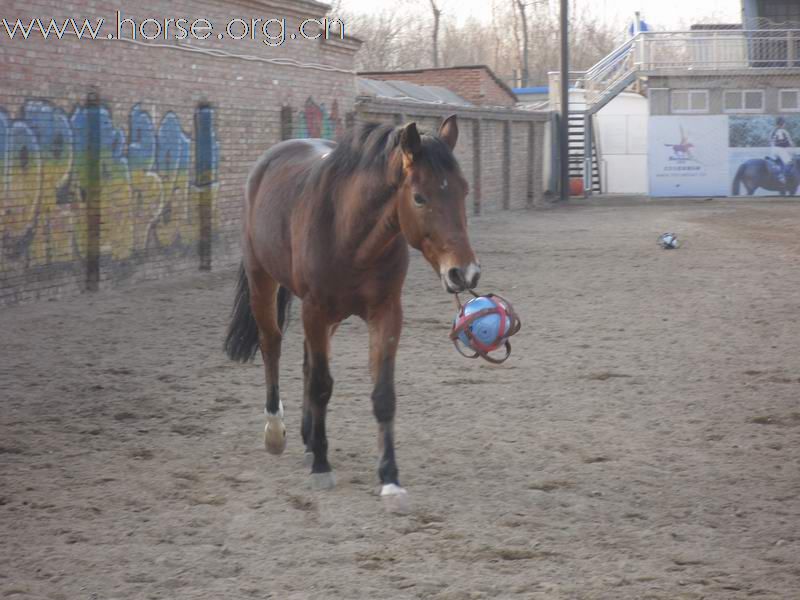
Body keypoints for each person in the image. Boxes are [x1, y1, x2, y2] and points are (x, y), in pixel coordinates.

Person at [769, 117, 795, 185]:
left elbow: (771, 141)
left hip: (773, 150)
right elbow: (781, 142)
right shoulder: (782, 131)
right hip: (780, 150)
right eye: (784, 123)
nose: (785, 124)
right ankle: (782, 176)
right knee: (790, 162)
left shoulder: (772, 131)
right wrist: (790, 145)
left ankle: (778, 169)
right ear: (782, 123)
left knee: (780, 161)